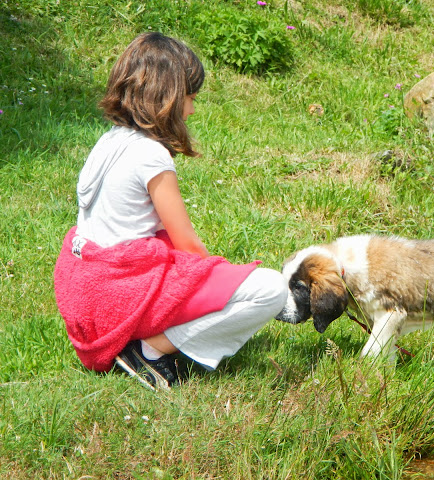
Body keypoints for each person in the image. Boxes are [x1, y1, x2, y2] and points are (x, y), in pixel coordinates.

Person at [54, 32, 288, 391]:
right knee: (271, 289)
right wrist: (224, 288)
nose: (192, 110)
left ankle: (144, 342)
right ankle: (148, 351)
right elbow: (189, 247)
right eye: (191, 98)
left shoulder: (109, 139)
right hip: (114, 298)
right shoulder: (151, 155)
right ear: (168, 97)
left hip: (83, 298)